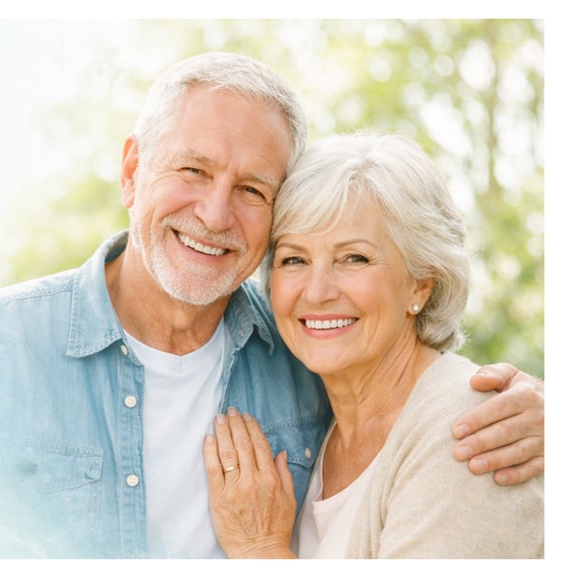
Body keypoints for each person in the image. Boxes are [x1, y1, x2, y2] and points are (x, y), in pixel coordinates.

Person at [0, 52, 545, 558]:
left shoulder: (307, 355)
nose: (215, 214)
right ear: (131, 170)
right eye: (193, 170)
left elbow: (420, 398)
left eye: (252, 189)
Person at [203, 133, 543, 558]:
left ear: (421, 282)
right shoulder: (327, 426)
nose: (317, 291)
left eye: (354, 258)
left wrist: (260, 550)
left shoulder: (473, 433)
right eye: (295, 259)